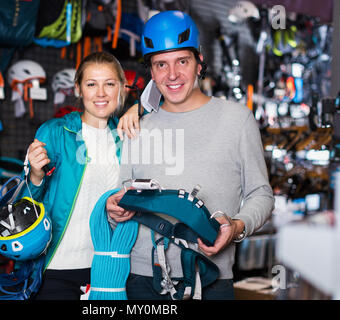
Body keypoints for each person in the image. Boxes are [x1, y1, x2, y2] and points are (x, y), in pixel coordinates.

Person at [106, 10, 275, 300]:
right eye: (161, 64)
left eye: (182, 61)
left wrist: (236, 228)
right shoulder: (136, 126)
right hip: (141, 281)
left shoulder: (237, 120)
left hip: (210, 278)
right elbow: (121, 197)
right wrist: (113, 210)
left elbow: (262, 194)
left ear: (199, 62)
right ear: (152, 71)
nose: (172, 75)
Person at [19, 51, 141, 300]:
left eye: (109, 84)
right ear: (78, 88)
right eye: (91, 84)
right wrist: (34, 174)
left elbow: (172, 99)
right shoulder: (54, 132)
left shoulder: (127, 136)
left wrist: (138, 108)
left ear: (121, 88)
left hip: (109, 266)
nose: (101, 93)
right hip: (57, 267)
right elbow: (24, 203)